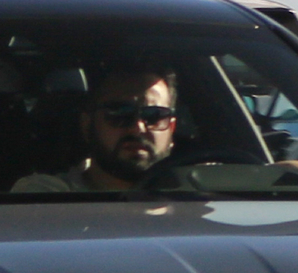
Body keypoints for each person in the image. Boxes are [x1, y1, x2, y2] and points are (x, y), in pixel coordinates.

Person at [12, 66, 179, 193]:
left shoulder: (199, 196)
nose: (138, 128)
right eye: (119, 114)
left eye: (154, 116)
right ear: (87, 125)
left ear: (171, 128)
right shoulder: (46, 195)